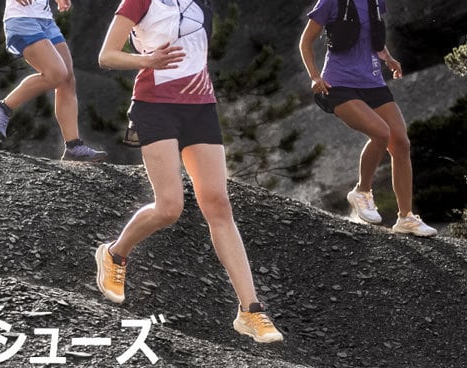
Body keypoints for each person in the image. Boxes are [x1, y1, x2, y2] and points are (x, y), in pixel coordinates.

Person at [95, 0, 284, 343]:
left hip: (200, 108)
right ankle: (114, 254)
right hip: (154, 106)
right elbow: (106, 56)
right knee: (169, 207)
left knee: (218, 204)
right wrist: (147, 61)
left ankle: (251, 310)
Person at [299, 0, 438, 237]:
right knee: (381, 133)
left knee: (401, 143)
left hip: (373, 83)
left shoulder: (375, 1)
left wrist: (388, 58)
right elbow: (305, 42)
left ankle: (406, 218)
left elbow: (371, 37)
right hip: (338, 84)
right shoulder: (330, 2)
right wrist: (314, 76)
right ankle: (362, 192)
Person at [0, 0, 107, 162]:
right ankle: (2, 108)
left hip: (45, 20)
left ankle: (74, 147)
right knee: (57, 73)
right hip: (21, 19)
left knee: (67, 80)